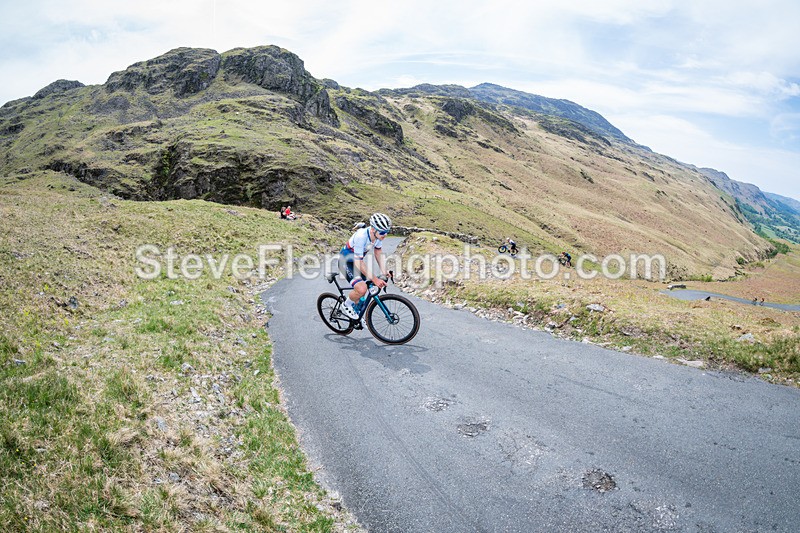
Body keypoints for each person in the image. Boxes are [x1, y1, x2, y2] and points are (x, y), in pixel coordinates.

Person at [338, 213, 392, 320]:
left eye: (387, 232)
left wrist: (383, 270)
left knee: (364, 292)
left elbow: (378, 251)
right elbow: (359, 263)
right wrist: (376, 279)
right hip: (346, 261)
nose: (384, 235)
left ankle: (356, 314)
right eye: (382, 232)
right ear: (373, 229)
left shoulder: (377, 237)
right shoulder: (361, 236)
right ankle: (346, 304)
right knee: (362, 289)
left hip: (356, 261)